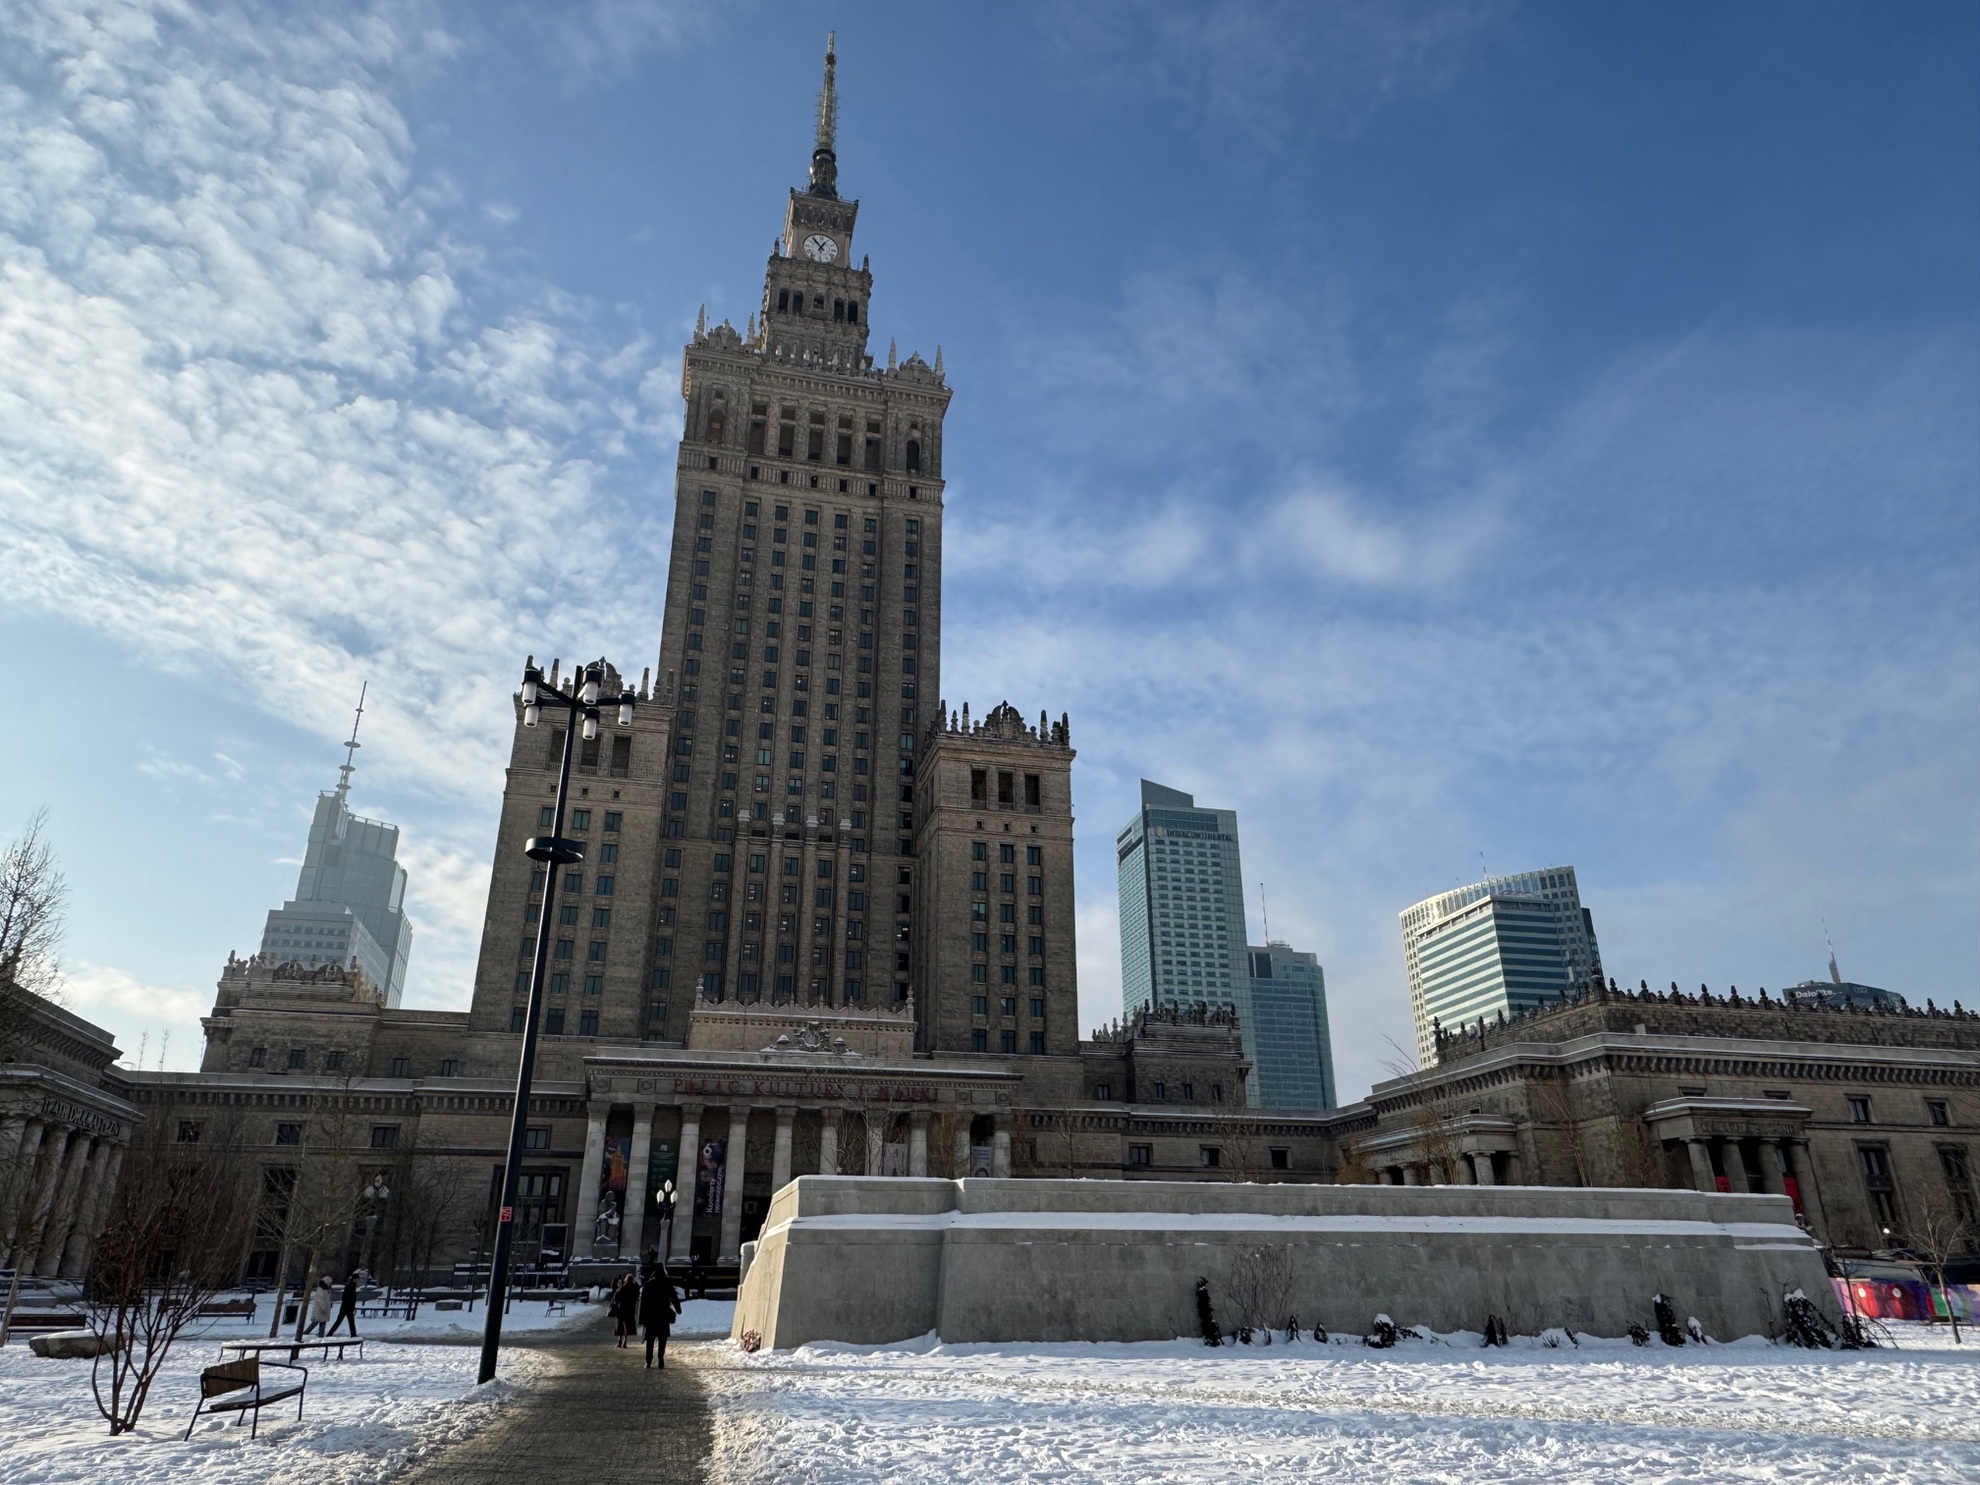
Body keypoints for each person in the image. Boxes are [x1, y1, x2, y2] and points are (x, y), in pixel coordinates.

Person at [638, 1262, 682, 1369]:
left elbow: (643, 1303)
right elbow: (674, 1297)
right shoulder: (667, 1283)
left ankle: (648, 1361)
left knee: (650, 1340)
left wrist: (641, 1319)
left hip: (651, 1316)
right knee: (662, 1339)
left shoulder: (648, 1284)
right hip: (664, 1315)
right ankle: (660, 1359)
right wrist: (678, 1309)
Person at [609, 1272, 639, 1348]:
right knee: (628, 1327)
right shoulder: (634, 1288)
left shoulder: (623, 1287)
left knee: (620, 1327)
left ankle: (619, 1342)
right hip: (630, 1310)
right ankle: (624, 1342)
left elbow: (616, 1297)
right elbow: (636, 1297)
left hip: (622, 1310)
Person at [329, 1271, 360, 1337]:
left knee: (341, 1321)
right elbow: (348, 1298)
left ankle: (330, 1333)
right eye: (357, 1279)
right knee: (348, 1321)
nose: (358, 1280)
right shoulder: (351, 1286)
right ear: (355, 1279)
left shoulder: (351, 1286)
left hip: (346, 1307)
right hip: (347, 1307)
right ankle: (353, 1334)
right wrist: (351, 1306)